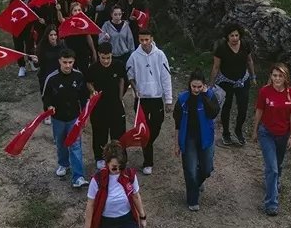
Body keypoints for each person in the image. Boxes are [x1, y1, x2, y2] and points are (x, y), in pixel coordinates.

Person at [253, 63, 291, 216]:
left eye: (280, 76)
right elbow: (259, 111)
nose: (277, 78)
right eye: (274, 75)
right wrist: (255, 131)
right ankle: (271, 204)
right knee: (272, 167)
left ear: (285, 77)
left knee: (278, 165)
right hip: (266, 133)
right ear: (270, 76)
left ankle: (274, 182)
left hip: (283, 134)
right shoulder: (265, 91)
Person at [125, 28, 172, 175]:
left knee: (156, 125)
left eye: (147, 39)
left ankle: (147, 143)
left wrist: (168, 100)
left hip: (156, 98)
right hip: (141, 100)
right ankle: (148, 162)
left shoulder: (160, 55)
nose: (144, 43)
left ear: (151, 38)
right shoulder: (134, 56)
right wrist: (134, 87)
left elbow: (166, 77)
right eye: (141, 40)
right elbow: (129, 75)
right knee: (144, 130)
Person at [42, 49, 90, 188]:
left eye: (70, 62)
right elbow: (46, 96)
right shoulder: (52, 78)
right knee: (61, 143)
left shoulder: (79, 76)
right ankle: (63, 164)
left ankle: (78, 177)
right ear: (59, 61)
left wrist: (84, 116)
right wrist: (49, 106)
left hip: (74, 118)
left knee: (75, 145)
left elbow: (84, 97)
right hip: (58, 118)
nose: (67, 65)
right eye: (65, 62)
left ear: (74, 62)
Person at [174, 73, 221, 211]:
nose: (196, 89)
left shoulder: (210, 95)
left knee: (207, 168)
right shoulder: (183, 99)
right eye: (193, 86)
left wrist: (205, 95)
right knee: (190, 169)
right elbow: (177, 123)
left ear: (204, 86)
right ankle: (192, 199)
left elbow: (213, 113)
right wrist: (176, 144)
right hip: (188, 138)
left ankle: (197, 183)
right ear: (189, 85)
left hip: (206, 138)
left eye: (199, 87)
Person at [210, 24, 257, 147]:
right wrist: (211, 83)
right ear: (227, 37)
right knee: (226, 107)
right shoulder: (221, 49)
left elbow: (249, 60)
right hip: (226, 82)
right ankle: (226, 133)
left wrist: (253, 76)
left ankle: (238, 130)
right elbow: (216, 67)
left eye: (237, 35)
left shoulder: (246, 45)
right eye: (232, 36)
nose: (235, 38)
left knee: (243, 108)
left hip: (243, 81)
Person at [87, 41, 129, 168]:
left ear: (112, 55)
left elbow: (122, 80)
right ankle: (100, 157)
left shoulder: (119, 65)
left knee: (119, 133)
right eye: (103, 58)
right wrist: (92, 91)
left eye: (108, 57)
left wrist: (120, 96)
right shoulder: (93, 68)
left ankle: (120, 157)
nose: (106, 61)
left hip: (115, 104)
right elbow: (88, 82)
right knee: (99, 132)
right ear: (99, 55)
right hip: (99, 106)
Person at [35, 26, 62, 124]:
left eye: (55, 35)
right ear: (47, 36)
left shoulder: (61, 46)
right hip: (45, 76)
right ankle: (47, 113)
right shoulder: (42, 47)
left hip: (58, 75)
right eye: (51, 35)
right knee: (46, 95)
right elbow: (37, 64)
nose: (53, 37)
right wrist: (36, 61)